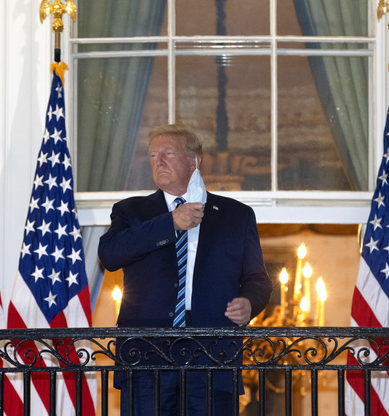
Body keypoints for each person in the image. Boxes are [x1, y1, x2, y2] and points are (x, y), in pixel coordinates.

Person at [98, 123, 272, 416]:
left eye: (168, 153)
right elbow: (109, 255)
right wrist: (171, 223)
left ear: (194, 161)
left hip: (213, 352)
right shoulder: (131, 211)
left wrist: (250, 303)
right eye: (153, 155)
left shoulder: (236, 215)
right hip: (146, 354)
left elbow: (258, 279)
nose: (158, 161)